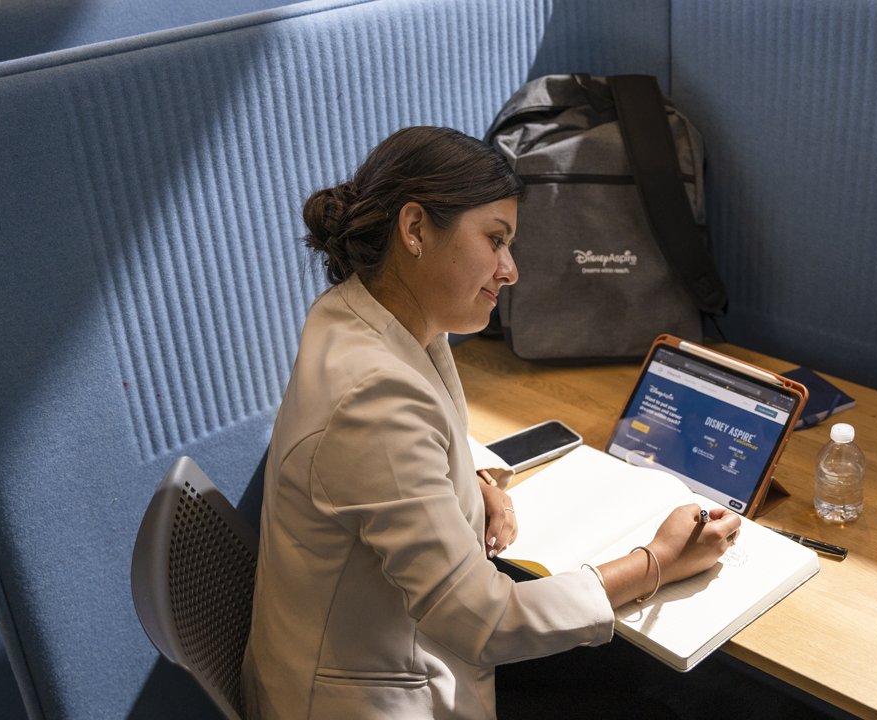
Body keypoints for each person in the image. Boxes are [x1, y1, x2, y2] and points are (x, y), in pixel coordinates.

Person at [241, 126, 741, 720]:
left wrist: (469, 481)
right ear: (415, 229)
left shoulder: (355, 314)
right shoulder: (375, 396)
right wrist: (656, 560)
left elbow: (370, 461)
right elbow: (485, 621)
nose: (511, 270)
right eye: (496, 239)